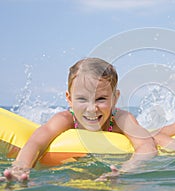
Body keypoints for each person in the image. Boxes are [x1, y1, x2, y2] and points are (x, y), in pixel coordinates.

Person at [1, 57, 158, 182]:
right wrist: (20, 168)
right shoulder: (65, 119)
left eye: (101, 99)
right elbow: (35, 142)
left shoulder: (121, 119)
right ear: (69, 99)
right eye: (82, 99)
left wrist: (125, 170)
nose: (91, 108)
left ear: (115, 98)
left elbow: (146, 146)